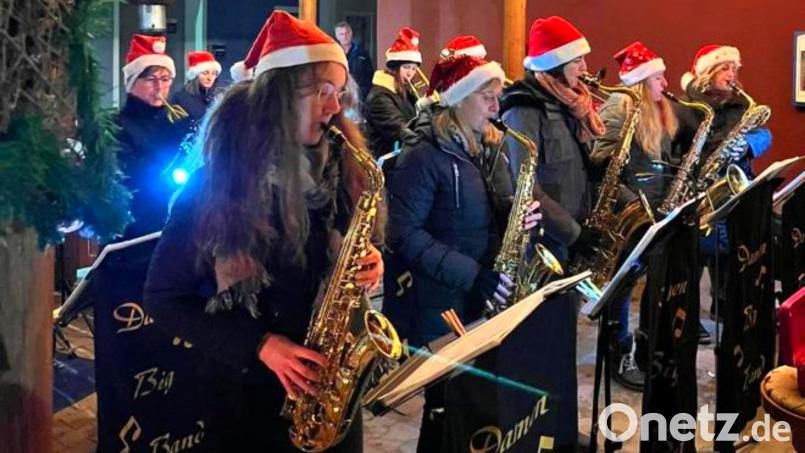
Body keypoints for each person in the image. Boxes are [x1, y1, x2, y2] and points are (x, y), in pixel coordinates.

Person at [142, 11, 382, 452]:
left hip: (331, 397)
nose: (334, 107)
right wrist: (261, 345)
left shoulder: (343, 170)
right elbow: (163, 298)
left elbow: (354, 245)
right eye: (321, 93)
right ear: (280, 97)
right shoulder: (216, 186)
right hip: (246, 403)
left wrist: (370, 261)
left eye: (338, 92)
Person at [383, 54, 540, 451]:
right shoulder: (424, 154)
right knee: (443, 411)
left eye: (496, 95)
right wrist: (473, 275)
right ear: (458, 99)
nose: (495, 105)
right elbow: (403, 234)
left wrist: (515, 217)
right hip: (440, 303)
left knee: (472, 408)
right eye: (486, 96)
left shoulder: (484, 145)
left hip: (475, 295)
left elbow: (478, 213)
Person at [498, 16, 606, 449]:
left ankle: (561, 428)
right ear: (556, 62)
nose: (584, 65)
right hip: (543, 244)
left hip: (568, 239)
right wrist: (574, 231)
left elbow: (570, 167)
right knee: (541, 343)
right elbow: (528, 184)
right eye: (576, 58)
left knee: (563, 339)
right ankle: (539, 433)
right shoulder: (524, 106)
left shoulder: (568, 103)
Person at [590, 41, 680, 391]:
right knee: (623, 286)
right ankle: (617, 352)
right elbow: (601, 163)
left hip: (652, 212)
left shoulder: (656, 110)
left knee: (637, 281)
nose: (665, 82)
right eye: (658, 76)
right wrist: (634, 208)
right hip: (628, 215)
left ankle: (637, 347)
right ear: (642, 80)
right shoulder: (621, 106)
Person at [677, 44, 772, 344]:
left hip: (735, 188)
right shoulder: (686, 106)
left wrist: (747, 145)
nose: (731, 74)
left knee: (731, 253)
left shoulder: (742, 104)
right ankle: (689, 317)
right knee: (696, 257)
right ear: (707, 72)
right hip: (699, 189)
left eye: (734, 68)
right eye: (724, 68)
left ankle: (724, 305)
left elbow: (765, 132)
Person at [115, 34, 192, 240]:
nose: (160, 87)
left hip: (177, 226)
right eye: (151, 79)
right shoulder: (117, 126)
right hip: (135, 231)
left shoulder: (177, 121)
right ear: (132, 82)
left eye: (165, 79)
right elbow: (133, 178)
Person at [363, 27, 421, 158]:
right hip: (386, 160)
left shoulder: (405, 90)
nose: (410, 73)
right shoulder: (379, 97)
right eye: (406, 67)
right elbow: (401, 131)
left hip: (404, 156)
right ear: (395, 68)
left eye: (414, 68)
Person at [170, 51, 224, 125]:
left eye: (214, 73)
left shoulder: (220, 97)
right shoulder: (179, 98)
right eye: (205, 73)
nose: (210, 78)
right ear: (195, 75)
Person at [334, 20, 375, 100]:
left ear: (351, 33)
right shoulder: (333, 54)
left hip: (359, 98)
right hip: (338, 98)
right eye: (341, 34)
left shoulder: (362, 53)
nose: (345, 36)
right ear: (337, 36)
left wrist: (363, 94)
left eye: (347, 33)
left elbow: (370, 76)